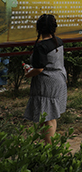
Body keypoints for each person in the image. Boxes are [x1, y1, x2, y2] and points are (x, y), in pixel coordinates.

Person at [23, 14, 66, 144]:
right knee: (51, 116)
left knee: (47, 118)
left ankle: (50, 148)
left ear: (38, 28)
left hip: (46, 84)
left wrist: (28, 73)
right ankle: (49, 146)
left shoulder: (41, 46)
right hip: (59, 79)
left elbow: (39, 69)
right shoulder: (58, 41)